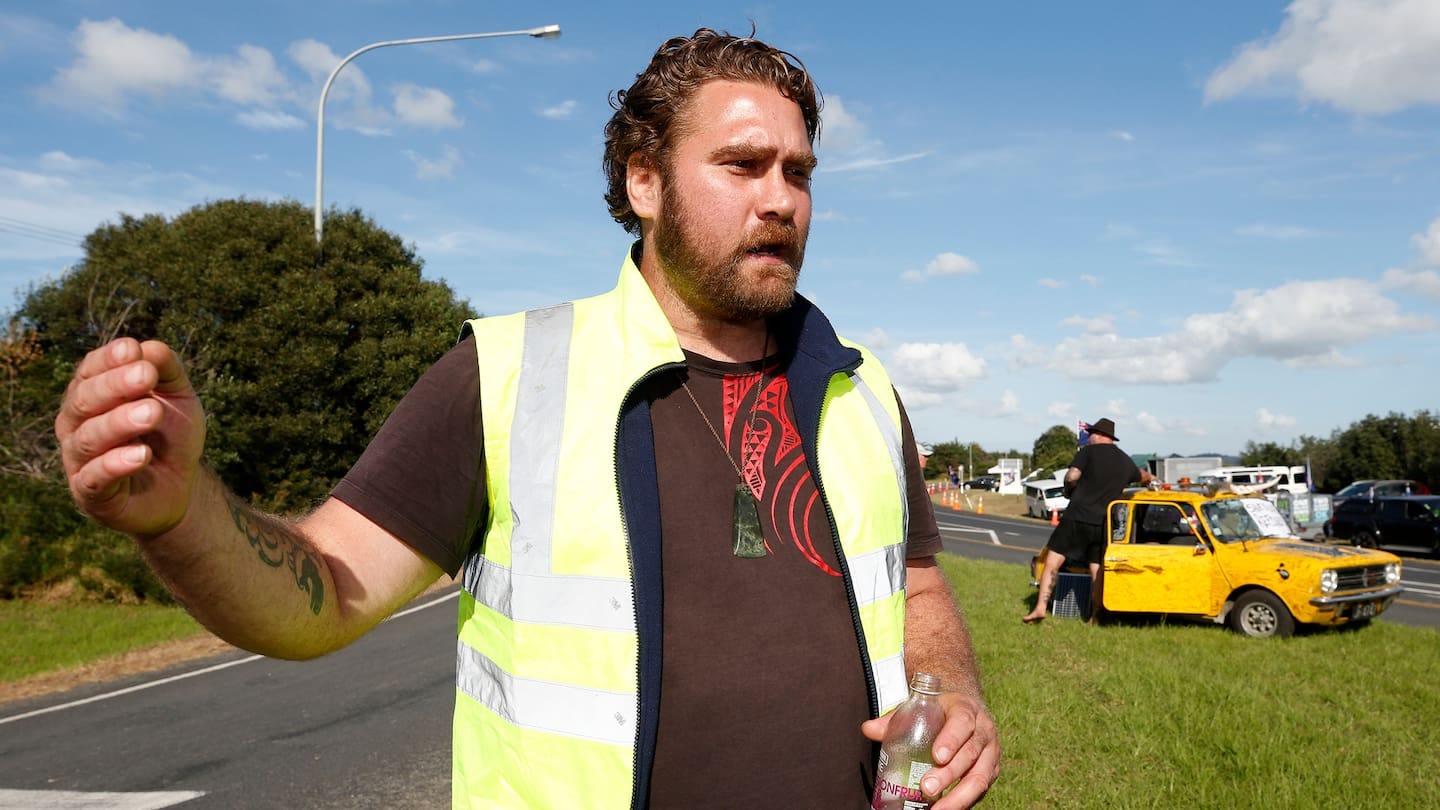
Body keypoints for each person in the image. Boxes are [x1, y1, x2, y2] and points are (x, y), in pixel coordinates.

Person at [55, 27, 998, 810]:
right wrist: (182, 515)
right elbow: (324, 595)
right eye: (743, 165)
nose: (780, 200)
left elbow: (918, 590)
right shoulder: (508, 373)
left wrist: (952, 688)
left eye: (798, 171)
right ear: (644, 182)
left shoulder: (860, 389)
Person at [1021, 417, 1151, 624]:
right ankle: (1095, 616)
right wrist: (1151, 480)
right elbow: (1143, 476)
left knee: (1053, 561)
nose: (1088, 437)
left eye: (1090, 434)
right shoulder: (1125, 460)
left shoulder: (1088, 453)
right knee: (1097, 570)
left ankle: (1040, 607)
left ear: (1099, 435)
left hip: (1077, 517)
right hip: (1104, 523)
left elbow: (1072, 476)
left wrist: (1068, 489)